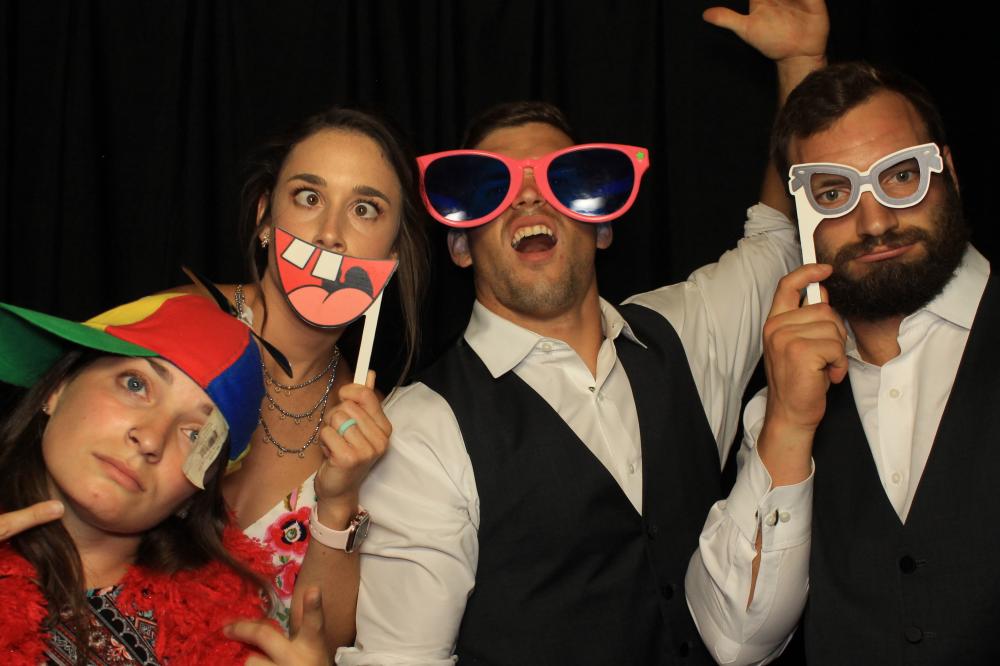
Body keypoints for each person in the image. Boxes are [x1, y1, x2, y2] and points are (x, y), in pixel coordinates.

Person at [337, 4, 828, 664]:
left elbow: (777, 234)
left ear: (601, 221)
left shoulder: (684, 333)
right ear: (460, 245)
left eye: (561, 179)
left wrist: (800, 64)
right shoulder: (422, 430)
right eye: (492, 188)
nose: (529, 199)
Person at [686, 61, 994, 665]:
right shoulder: (782, 403)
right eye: (834, 193)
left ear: (948, 172)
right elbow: (735, 642)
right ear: (802, 216)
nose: (875, 221)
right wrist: (788, 425)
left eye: (901, 176)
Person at [178, 107, 429, 651]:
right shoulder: (180, 322)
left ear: (393, 252)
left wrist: (339, 500)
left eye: (364, 209)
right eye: (309, 197)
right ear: (266, 217)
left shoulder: (370, 427)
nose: (330, 234)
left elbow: (320, 644)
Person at [0, 292, 275, 663]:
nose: (150, 439)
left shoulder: (229, 634)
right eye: (135, 385)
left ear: (197, 490)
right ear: (56, 388)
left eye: (196, 435)